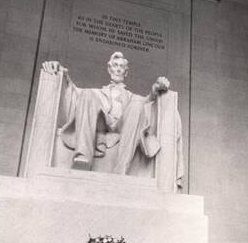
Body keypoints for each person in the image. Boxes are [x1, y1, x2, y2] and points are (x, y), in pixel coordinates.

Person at [42, 52, 181, 177]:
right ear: (109, 69)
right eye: (115, 65)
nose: (118, 69)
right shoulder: (97, 93)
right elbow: (73, 93)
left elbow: (146, 102)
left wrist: (154, 91)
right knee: (87, 94)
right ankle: (83, 156)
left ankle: (121, 169)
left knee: (138, 106)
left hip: (123, 124)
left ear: (125, 72)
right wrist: (60, 71)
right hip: (101, 122)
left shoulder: (131, 96)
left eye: (121, 67)